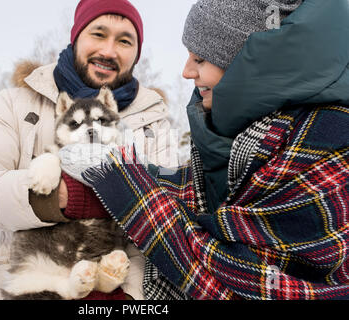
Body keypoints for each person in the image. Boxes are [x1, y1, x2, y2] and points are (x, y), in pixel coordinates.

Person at [72, 0, 349, 299]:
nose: (186, 72)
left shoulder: (328, 137)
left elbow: (245, 280)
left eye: (200, 59)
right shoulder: (240, 136)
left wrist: (120, 183)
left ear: (247, 64)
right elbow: (193, 194)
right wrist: (103, 177)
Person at [0, 0, 178, 300]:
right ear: (77, 36)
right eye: (98, 33)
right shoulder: (17, 104)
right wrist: (57, 197)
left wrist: (130, 296)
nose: (109, 51)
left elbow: (164, 223)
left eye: (124, 40)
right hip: (32, 279)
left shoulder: (154, 121)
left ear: (136, 53)